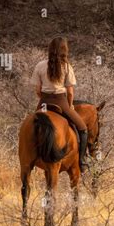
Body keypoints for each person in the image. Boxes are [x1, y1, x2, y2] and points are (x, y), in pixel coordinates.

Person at [31, 37, 88, 172]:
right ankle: (81, 161)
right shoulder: (67, 67)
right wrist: (70, 106)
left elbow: (38, 90)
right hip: (61, 102)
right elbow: (69, 93)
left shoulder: (40, 65)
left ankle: (31, 158)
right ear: (65, 50)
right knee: (83, 128)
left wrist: (45, 99)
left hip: (43, 102)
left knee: (32, 127)